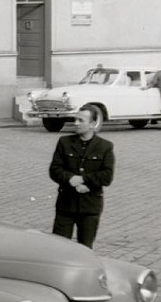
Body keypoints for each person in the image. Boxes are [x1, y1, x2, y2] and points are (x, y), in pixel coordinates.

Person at [48, 105, 115, 249]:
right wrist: (71, 179)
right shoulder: (65, 142)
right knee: (58, 247)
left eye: (81, 120)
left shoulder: (105, 146)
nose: (76, 123)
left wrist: (83, 179)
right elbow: (55, 169)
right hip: (66, 204)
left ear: (92, 124)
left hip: (90, 207)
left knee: (85, 248)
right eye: (75, 119)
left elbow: (107, 176)